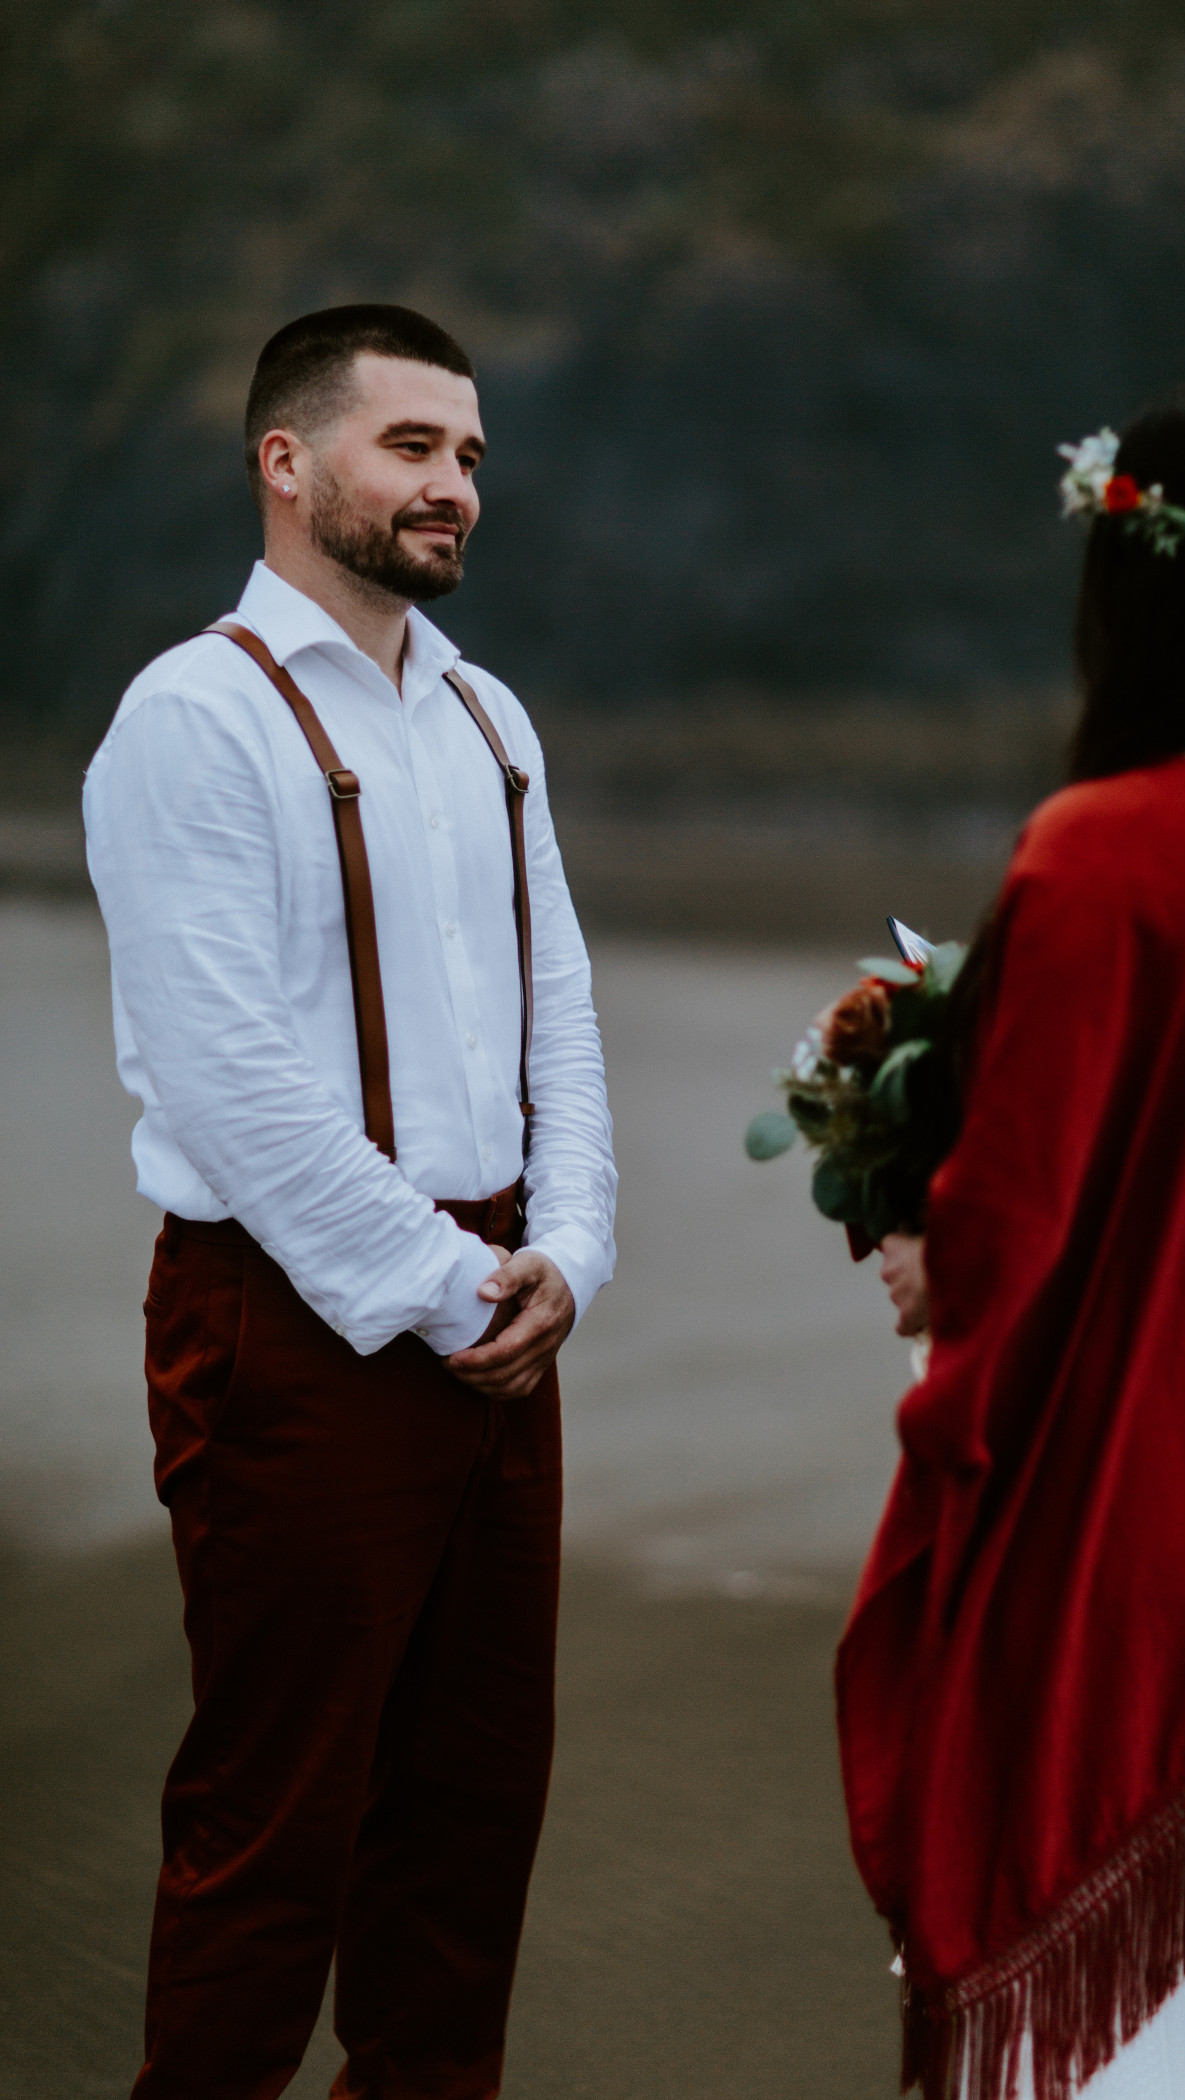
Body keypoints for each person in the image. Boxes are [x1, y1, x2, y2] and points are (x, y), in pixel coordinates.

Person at [83, 304, 617, 2100]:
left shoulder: (488, 716)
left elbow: (565, 1016)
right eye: (413, 447)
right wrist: (446, 1287)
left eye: (468, 452)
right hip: (289, 1324)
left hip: (501, 1321)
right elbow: (231, 1078)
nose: (456, 484)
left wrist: (574, 1255)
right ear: (287, 462)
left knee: (470, 1836)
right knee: (271, 1837)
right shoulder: (192, 719)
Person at [840, 396, 1185, 2098]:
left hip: (1127, 1508)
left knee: (1104, 1963)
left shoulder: (1105, 855)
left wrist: (935, 1283)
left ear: (1143, 594)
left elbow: (1020, 1235)